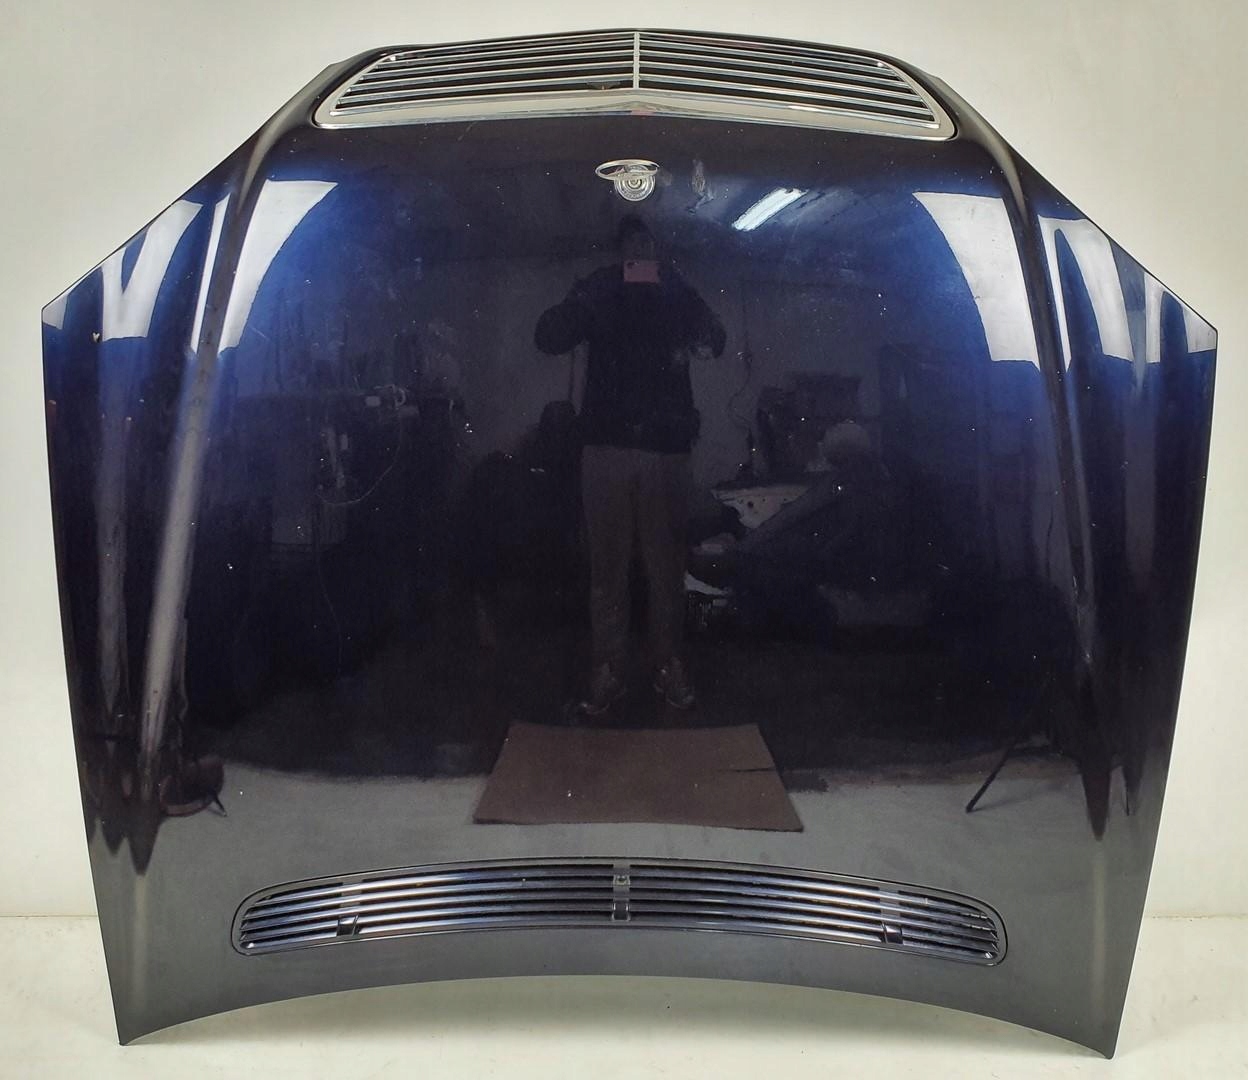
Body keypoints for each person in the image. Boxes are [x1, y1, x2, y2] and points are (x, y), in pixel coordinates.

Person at [535, 216, 726, 714]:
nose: (640, 252)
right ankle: (610, 670)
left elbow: (716, 340)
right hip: (608, 447)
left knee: (666, 568)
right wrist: (592, 297)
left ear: (657, 250)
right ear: (620, 252)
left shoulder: (675, 289)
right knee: (609, 568)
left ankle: (667, 665)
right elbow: (549, 336)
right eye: (631, 245)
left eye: (647, 244)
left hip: (662, 448)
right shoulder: (602, 287)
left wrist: (677, 299)